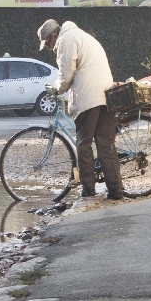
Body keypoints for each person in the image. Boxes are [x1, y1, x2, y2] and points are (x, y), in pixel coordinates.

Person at [37, 19, 123, 200]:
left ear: (53, 36)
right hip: (106, 94)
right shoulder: (83, 36)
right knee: (106, 144)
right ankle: (116, 190)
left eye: (47, 44)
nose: (48, 48)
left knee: (83, 144)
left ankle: (88, 190)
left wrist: (56, 88)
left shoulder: (65, 40)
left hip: (88, 96)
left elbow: (66, 74)